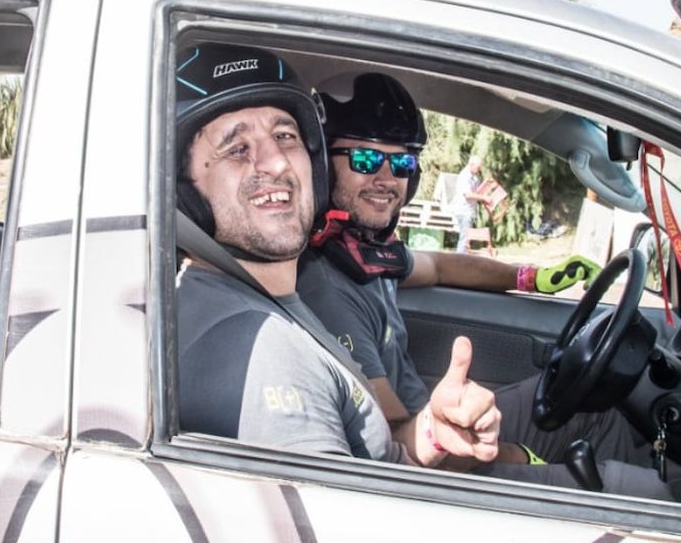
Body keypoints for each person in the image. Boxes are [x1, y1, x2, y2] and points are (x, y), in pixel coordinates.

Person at [297, 71, 671, 498]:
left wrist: (529, 276)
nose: (386, 178)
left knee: (597, 411)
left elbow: (438, 266)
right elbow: (395, 444)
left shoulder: (364, 253)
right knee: (646, 493)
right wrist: (515, 455)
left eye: (401, 162)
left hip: (438, 426)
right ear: (323, 165)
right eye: (365, 159)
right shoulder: (326, 290)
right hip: (430, 467)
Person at [175, 42, 500, 468]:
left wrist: (433, 435)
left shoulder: (272, 305)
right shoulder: (261, 349)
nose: (275, 162)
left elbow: (378, 459)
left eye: (285, 136)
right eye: (237, 148)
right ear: (185, 190)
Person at [451, 155, 489, 253]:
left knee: (466, 238)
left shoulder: (475, 178)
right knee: (464, 238)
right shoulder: (464, 176)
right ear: (471, 165)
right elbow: (468, 194)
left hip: (470, 211)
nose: (479, 169)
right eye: (478, 166)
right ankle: (459, 260)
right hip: (463, 211)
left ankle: (462, 259)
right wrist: (484, 198)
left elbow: (477, 193)